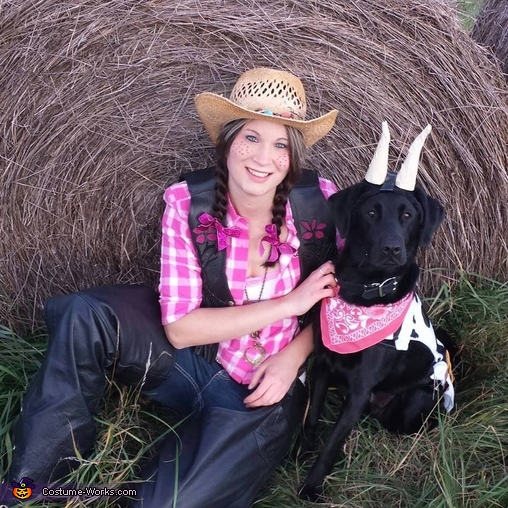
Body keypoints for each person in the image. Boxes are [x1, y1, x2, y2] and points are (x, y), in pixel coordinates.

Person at [8, 67, 340, 507]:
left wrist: (293, 357)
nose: (263, 158)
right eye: (251, 138)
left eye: (281, 143)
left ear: (293, 155)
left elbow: (349, 303)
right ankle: (30, 487)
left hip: (264, 390)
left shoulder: (318, 207)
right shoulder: (188, 203)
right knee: (86, 314)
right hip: (193, 359)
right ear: (228, 142)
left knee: (165, 505)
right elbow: (181, 329)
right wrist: (292, 302)